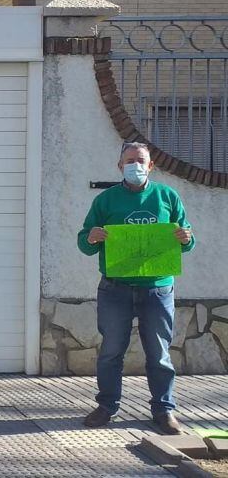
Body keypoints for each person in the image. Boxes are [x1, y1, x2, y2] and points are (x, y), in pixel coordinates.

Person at [78, 142, 195, 435]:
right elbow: (84, 242)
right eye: (129, 161)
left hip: (157, 290)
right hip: (114, 289)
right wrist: (91, 237)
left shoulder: (167, 196)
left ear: (151, 165)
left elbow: (188, 239)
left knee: (158, 353)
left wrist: (185, 237)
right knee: (110, 352)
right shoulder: (105, 201)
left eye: (140, 160)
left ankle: (164, 410)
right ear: (120, 166)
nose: (135, 165)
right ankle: (107, 406)